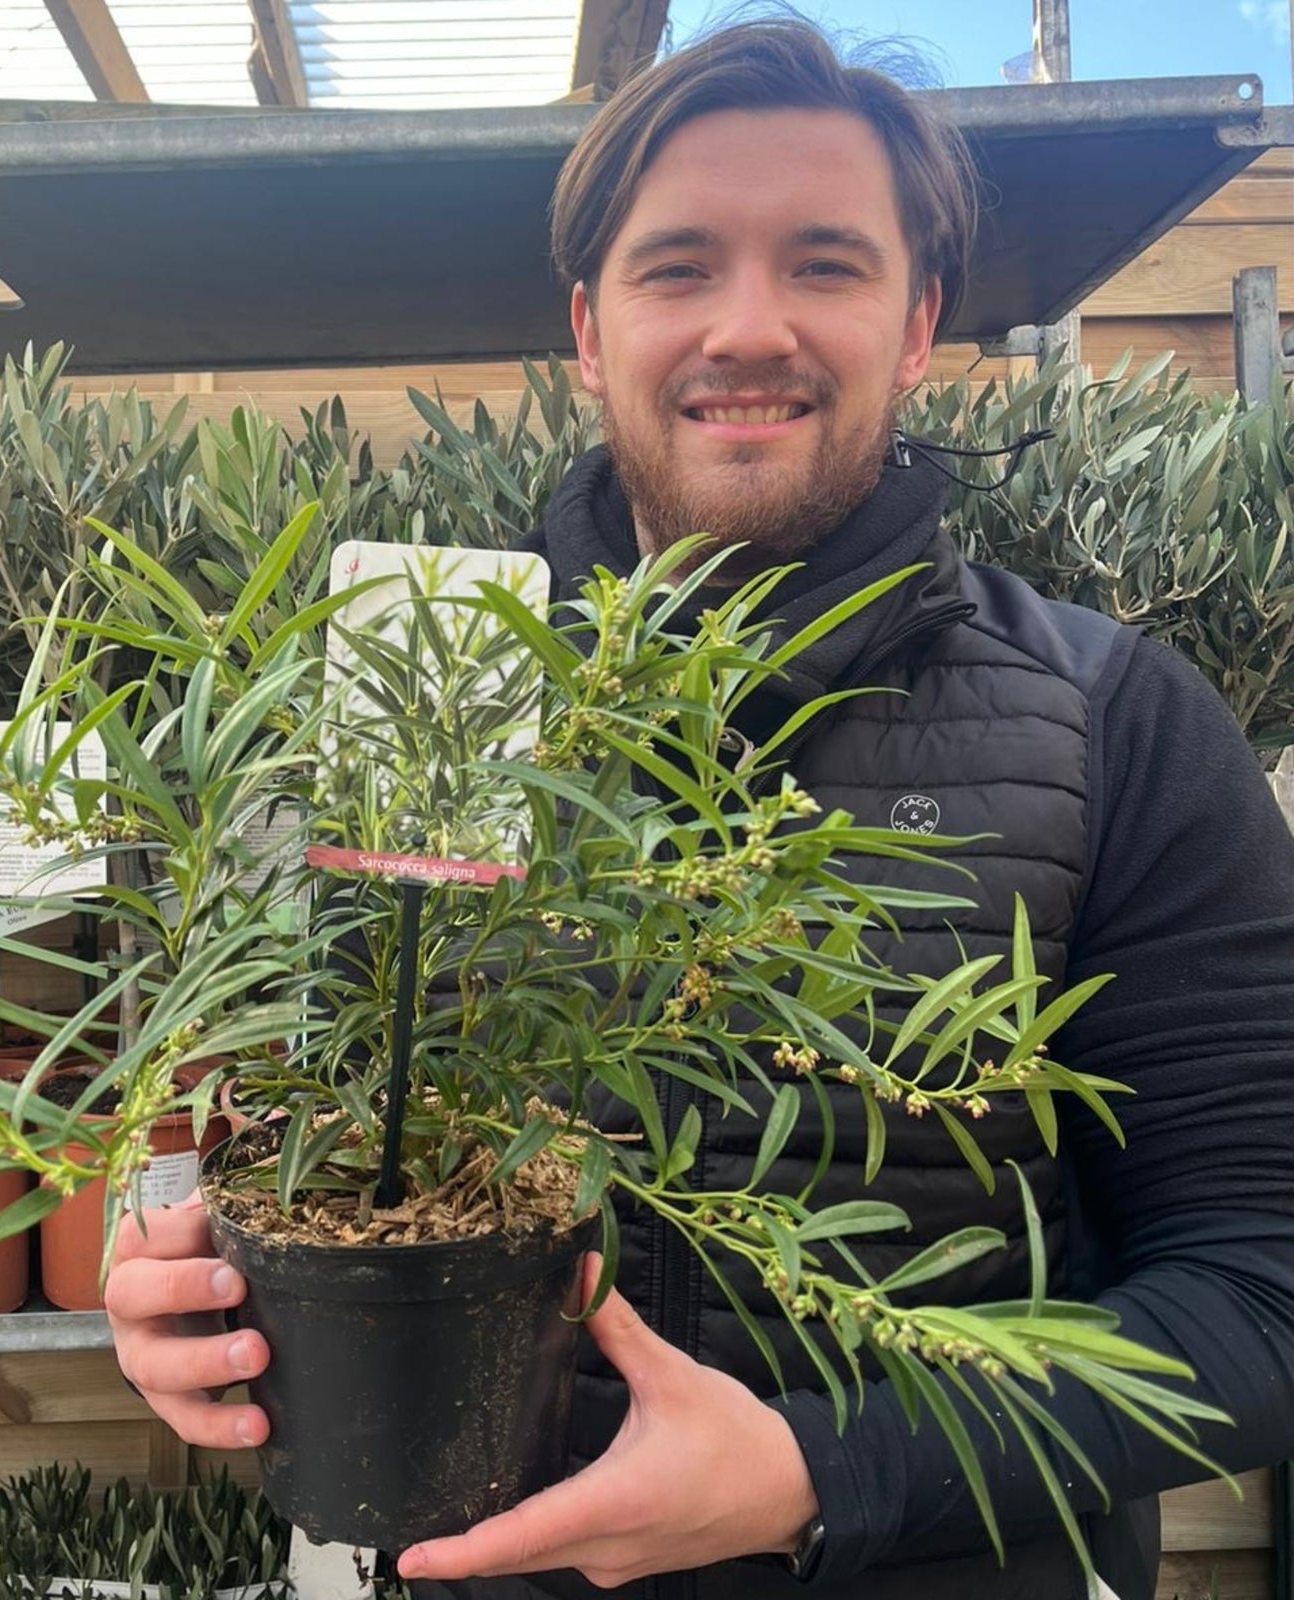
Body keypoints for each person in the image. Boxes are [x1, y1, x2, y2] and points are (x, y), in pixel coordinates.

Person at [104, 17, 1294, 1600]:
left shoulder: (1117, 719)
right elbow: (331, 1130)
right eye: (678, 268)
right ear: (590, 332)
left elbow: (1263, 1294)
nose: (748, 328)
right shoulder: (429, 688)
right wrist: (204, 1294)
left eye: (825, 264)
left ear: (916, 324)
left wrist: (823, 1476)